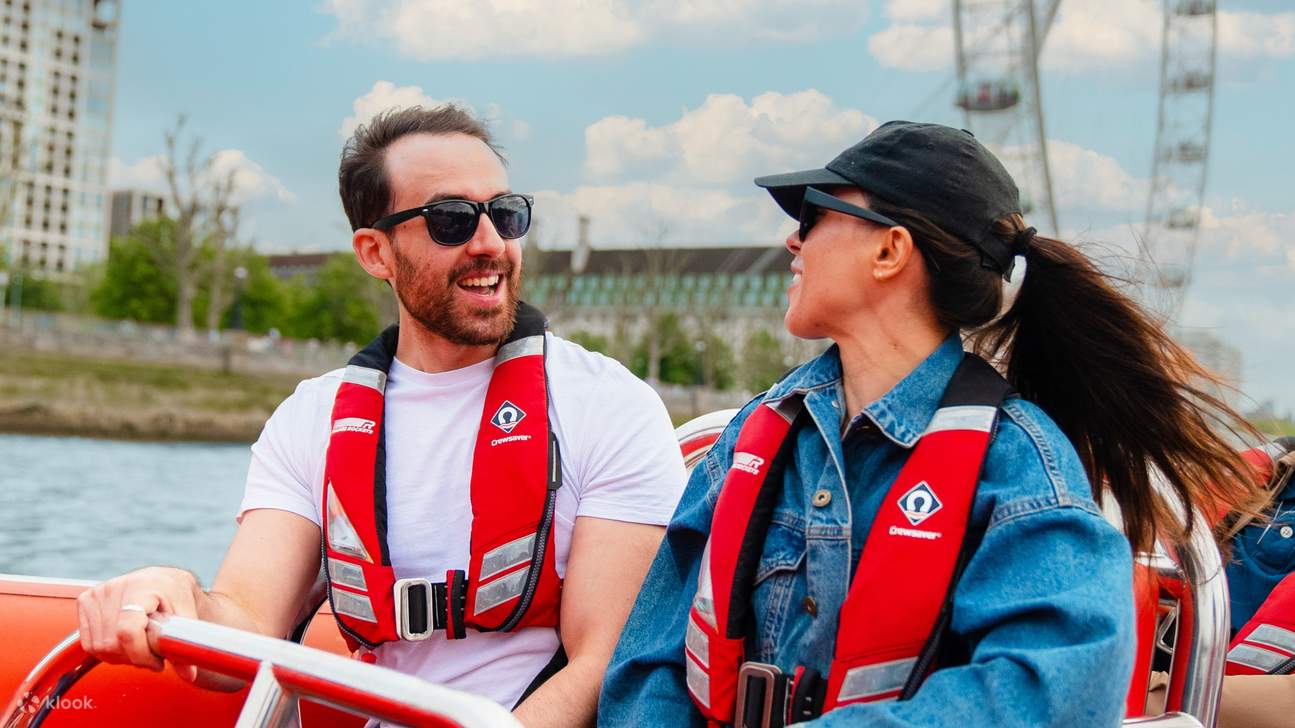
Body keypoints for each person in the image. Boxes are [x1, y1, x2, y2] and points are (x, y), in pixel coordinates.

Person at [598, 121, 1263, 726]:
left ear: (889, 251)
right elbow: (649, 662)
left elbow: (1056, 693)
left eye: (813, 215)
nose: (791, 239)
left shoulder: (1018, 468)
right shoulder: (757, 434)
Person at [75, 105, 687, 727]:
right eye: (451, 220)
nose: (490, 244)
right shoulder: (310, 421)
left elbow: (605, 665)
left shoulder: (610, 406)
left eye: (505, 214)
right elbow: (245, 629)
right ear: (375, 252)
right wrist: (169, 592)